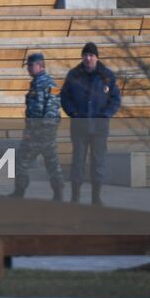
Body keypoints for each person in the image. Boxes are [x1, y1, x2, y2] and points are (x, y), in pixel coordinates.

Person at [60, 41, 122, 206]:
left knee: (98, 161)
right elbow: (64, 97)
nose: (88, 58)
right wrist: (73, 112)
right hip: (79, 126)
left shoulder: (106, 76)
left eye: (91, 55)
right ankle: (75, 197)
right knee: (78, 161)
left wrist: (106, 114)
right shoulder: (74, 75)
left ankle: (96, 197)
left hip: (99, 128)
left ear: (96, 57)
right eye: (85, 55)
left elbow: (115, 99)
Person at [6, 52, 64, 201]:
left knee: (23, 160)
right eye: (28, 66)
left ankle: (20, 193)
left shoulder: (46, 84)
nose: (28, 69)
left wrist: (32, 132)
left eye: (31, 66)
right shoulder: (42, 84)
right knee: (52, 163)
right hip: (43, 131)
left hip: (40, 132)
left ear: (40, 65)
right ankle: (58, 194)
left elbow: (49, 111)